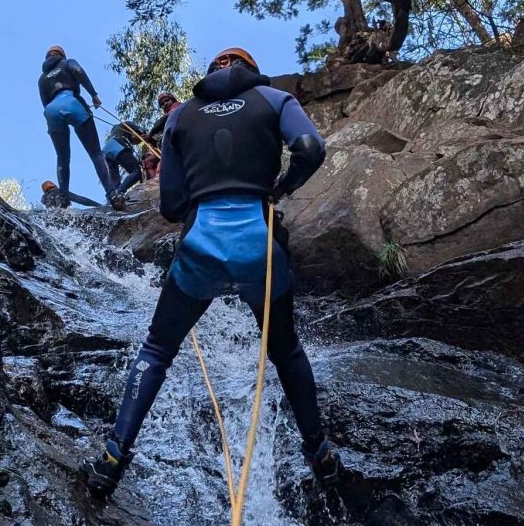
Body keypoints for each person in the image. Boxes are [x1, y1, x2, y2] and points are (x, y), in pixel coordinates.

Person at [85, 47, 340, 501]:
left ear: (208, 74)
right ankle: (320, 455)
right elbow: (309, 147)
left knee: (158, 349)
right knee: (285, 350)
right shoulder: (275, 99)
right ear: (251, 69)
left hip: (200, 243)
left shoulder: (181, 116)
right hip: (258, 244)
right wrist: (281, 187)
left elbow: (169, 206)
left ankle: (111, 460)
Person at [38, 45, 117, 204]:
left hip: (52, 111)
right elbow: (79, 72)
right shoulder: (67, 63)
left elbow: (45, 104)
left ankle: (63, 197)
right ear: (61, 54)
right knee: (95, 153)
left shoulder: (42, 78)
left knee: (62, 157)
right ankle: (113, 194)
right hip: (73, 102)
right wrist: (93, 95)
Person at [101, 121, 146, 209]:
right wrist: (144, 134)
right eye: (136, 141)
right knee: (136, 171)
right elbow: (143, 132)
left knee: (116, 183)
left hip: (107, 150)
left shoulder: (115, 129)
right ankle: (120, 192)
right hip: (118, 144)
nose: (136, 142)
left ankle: (112, 201)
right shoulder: (127, 125)